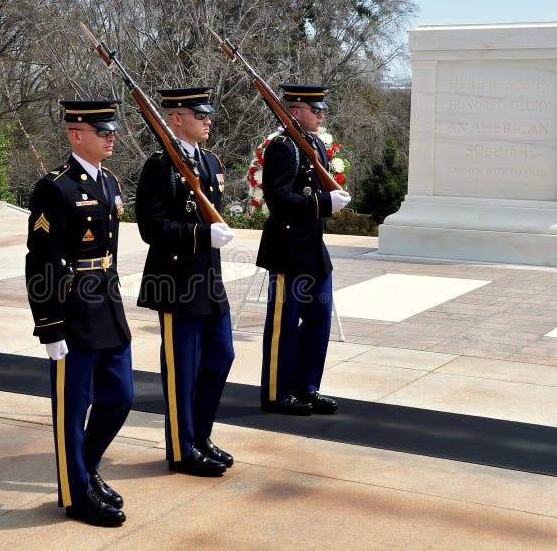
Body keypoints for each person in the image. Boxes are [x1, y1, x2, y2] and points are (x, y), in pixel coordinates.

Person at [25, 99, 132, 527]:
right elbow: (41, 263)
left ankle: (85, 471)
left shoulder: (109, 181)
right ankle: (76, 495)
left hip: (107, 306)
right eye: (102, 131)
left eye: (111, 131)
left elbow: (110, 251)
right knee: (73, 411)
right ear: (76, 135)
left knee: (121, 397)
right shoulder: (55, 187)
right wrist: (49, 326)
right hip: (72, 313)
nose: (111, 137)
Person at [136, 86, 236, 477]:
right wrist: (200, 236)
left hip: (208, 279)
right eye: (200, 115)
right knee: (183, 368)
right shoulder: (159, 167)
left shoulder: (209, 161)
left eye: (207, 114)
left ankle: (200, 435)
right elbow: (151, 227)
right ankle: (181, 448)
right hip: (176, 282)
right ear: (176, 119)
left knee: (221, 356)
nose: (208, 120)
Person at [257, 84, 351, 416]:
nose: (321, 114)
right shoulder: (282, 148)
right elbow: (278, 200)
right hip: (288, 250)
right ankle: (276, 393)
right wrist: (324, 202)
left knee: (319, 320)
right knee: (283, 326)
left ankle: (306, 387)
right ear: (295, 112)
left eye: (321, 108)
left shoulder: (313, 145)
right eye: (315, 109)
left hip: (313, 249)